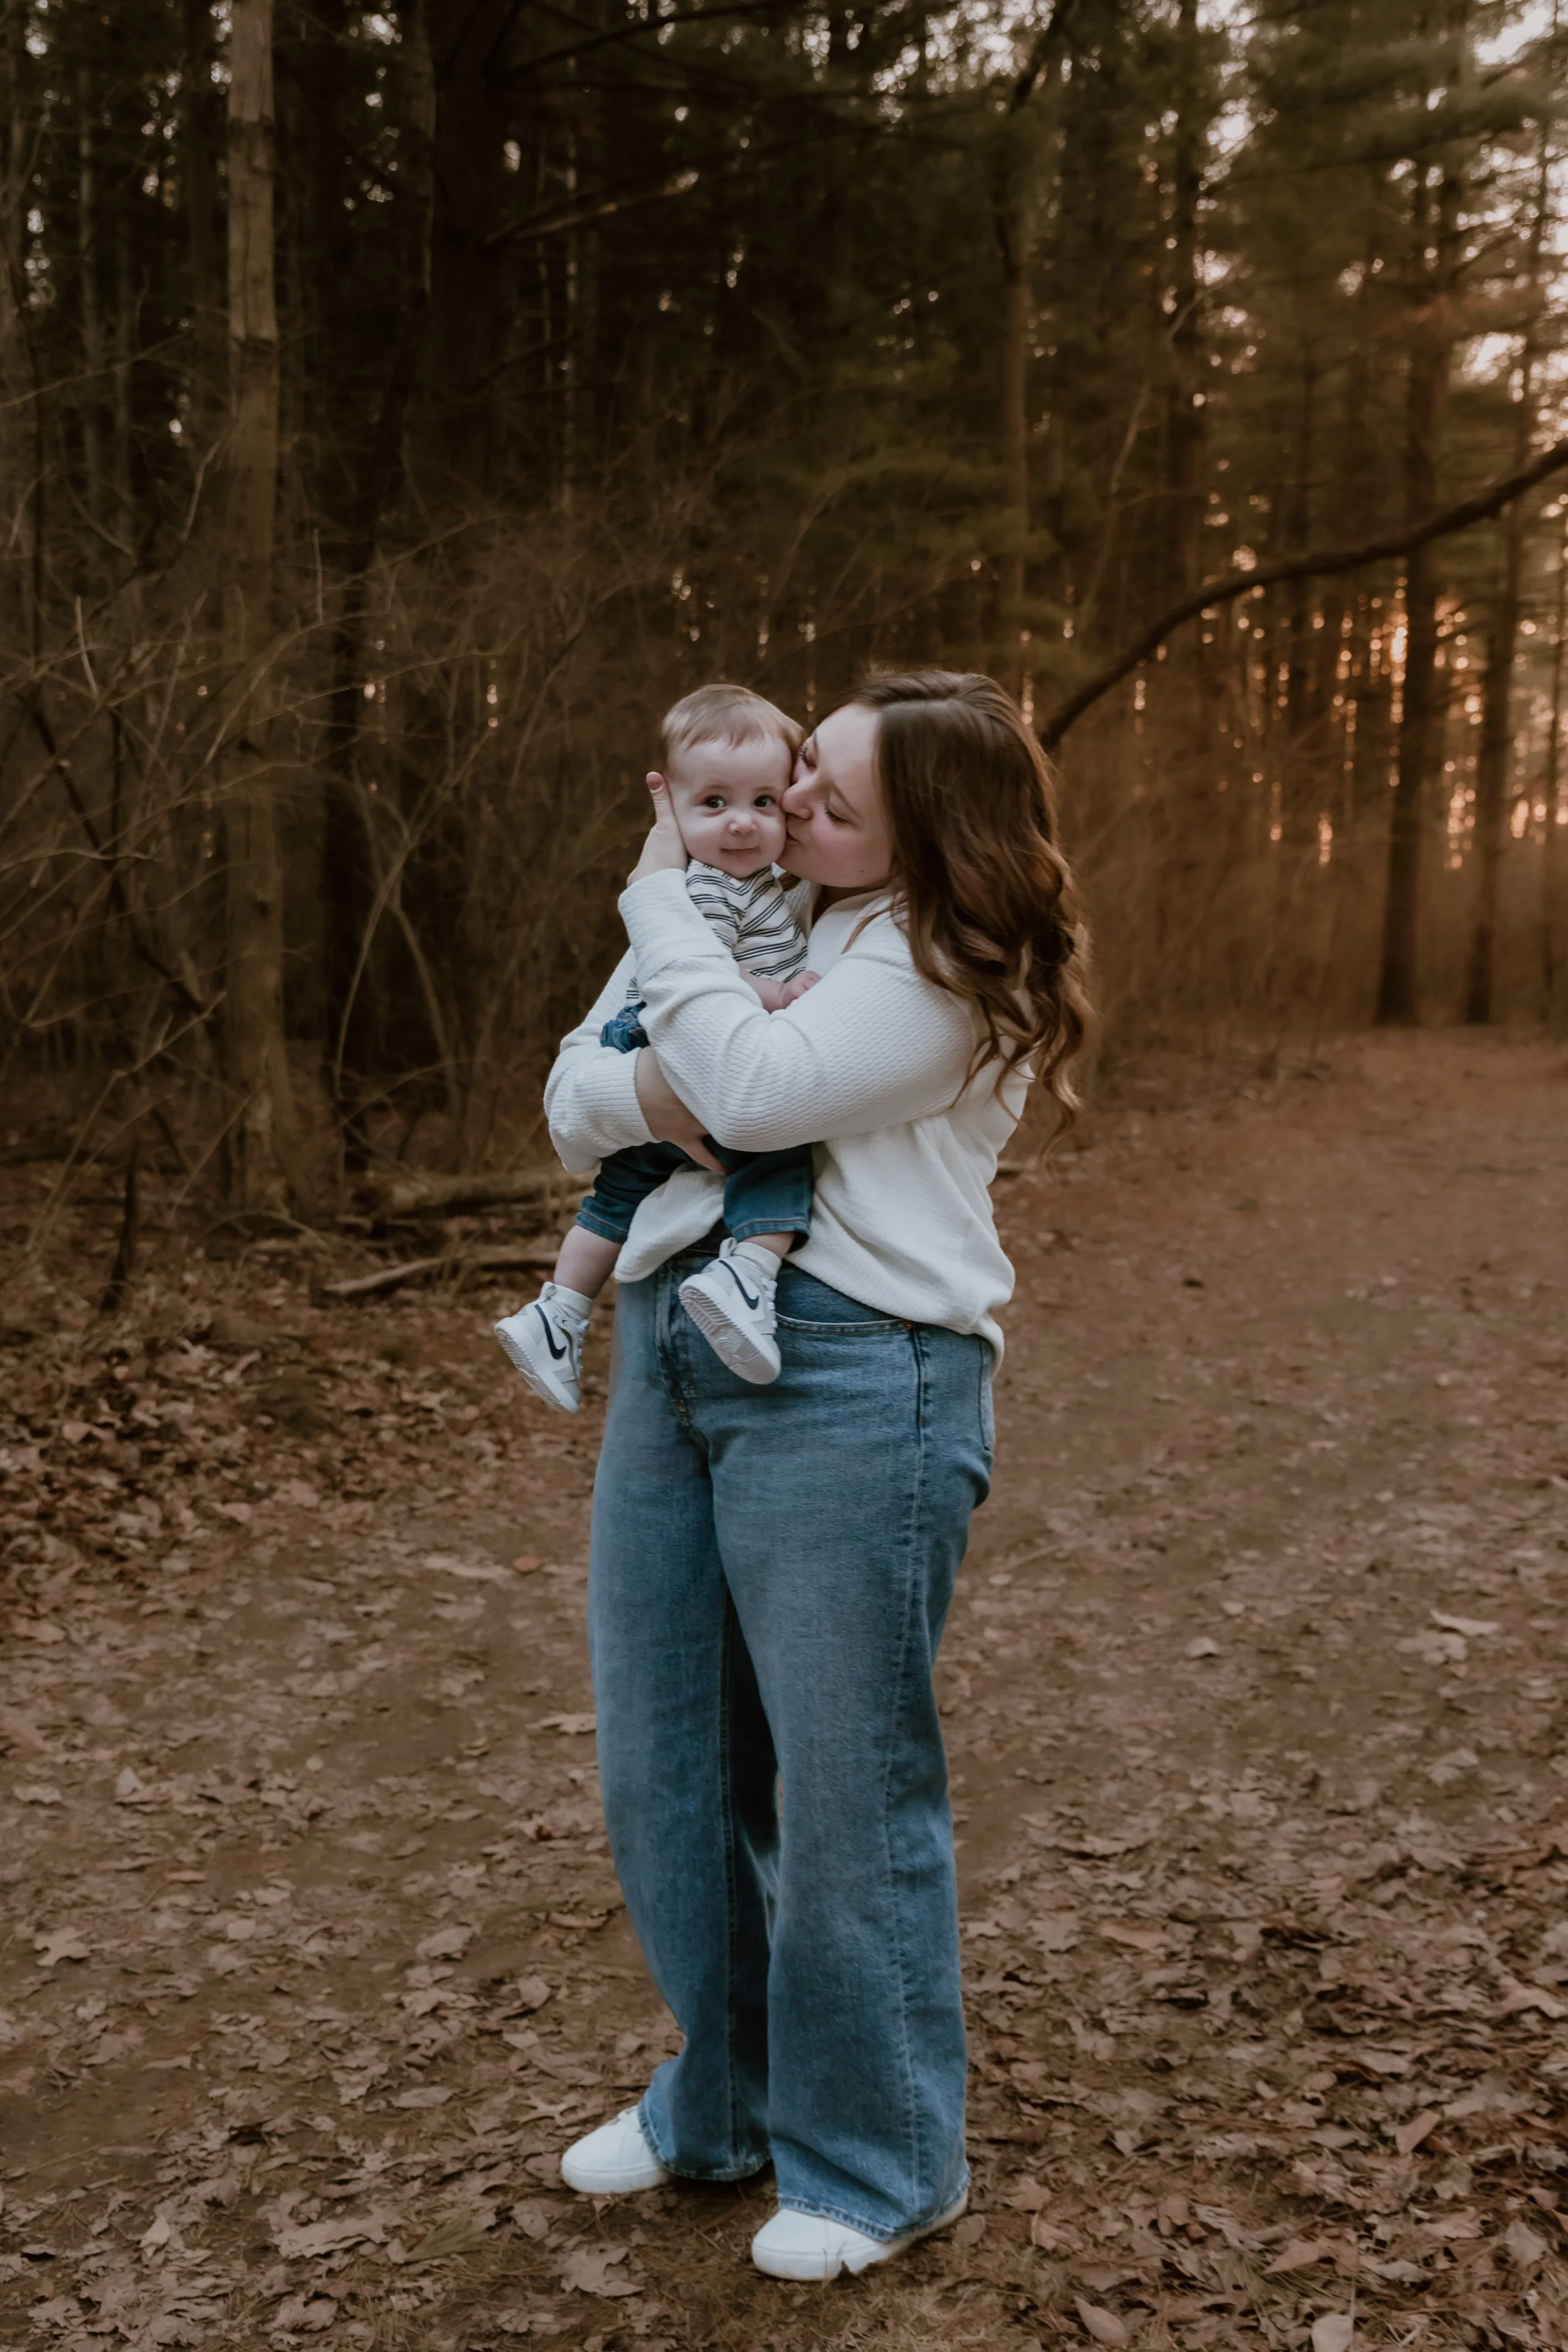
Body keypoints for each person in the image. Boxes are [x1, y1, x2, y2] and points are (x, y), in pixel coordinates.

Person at [539, 671, 1089, 2282]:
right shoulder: (745, 907)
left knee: (841, 1787)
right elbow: (580, 1091)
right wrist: (663, 1072)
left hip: (861, 1369)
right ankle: (720, 2101)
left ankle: (880, 2158)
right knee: (672, 1754)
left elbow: (761, 1095)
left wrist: (660, 918)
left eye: (830, 799)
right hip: (676, 1336)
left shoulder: (943, 962)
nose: (785, 814)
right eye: (792, 785)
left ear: (929, 830)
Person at [494, 686, 821, 1412]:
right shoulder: (707, 890)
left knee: (613, 1200)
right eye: (714, 804)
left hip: (645, 1050)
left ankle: (557, 1313)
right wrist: (773, 993)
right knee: (778, 1156)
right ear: (670, 809)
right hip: (673, 1045)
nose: (741, 822)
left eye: (764, 802)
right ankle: (748, 1275)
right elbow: (698, 972)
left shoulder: (761, 885)